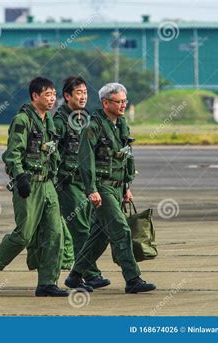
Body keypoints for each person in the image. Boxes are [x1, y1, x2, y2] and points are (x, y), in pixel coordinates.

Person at [0, 77, 69, 297]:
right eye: (47, 95)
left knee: (54, 234)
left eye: (53, 94)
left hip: (47, 183)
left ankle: (47, 282)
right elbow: (12, 154)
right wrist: (20, 177)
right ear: (35, 96)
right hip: (29, 184)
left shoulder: (49, 121)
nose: (52, 99)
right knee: (24, 235)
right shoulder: (22, 120)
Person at [64, 83, 156, 294]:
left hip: (117, 187)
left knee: (99, 236)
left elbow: (126, 156)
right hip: (102, 188)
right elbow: (85, 161)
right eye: (118, 101)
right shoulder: (93, 126)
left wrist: (126, 186)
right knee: (121, 230)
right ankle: (132, 278)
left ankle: (75, 275)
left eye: (125, 101)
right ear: (105, 103)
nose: (123, 105)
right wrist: (91, 190)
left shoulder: (121, 124)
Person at [54, 76, 110, 290]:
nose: (83, 96)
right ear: (67, 96)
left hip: (87, 182)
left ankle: (80, 274)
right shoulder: (59, 121)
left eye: (85, 92)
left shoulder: (86, 118)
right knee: (80, 229)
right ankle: (90, 274)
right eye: (78, 92)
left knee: (93, 228)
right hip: (68, 182)